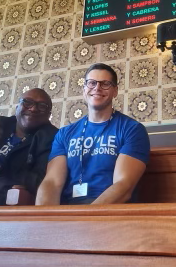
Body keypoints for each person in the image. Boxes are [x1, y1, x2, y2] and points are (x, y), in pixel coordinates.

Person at [36, 63, 150, 205]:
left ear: (115, 91)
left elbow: (123, 186)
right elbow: (52, 183)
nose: (97, 88)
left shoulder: (132, 129)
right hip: (66, 214)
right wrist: (45, 221)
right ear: (84, 89)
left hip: (109, 214)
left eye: (105, 84)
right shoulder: (64, 134)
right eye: (92, 83)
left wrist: (86, 217)